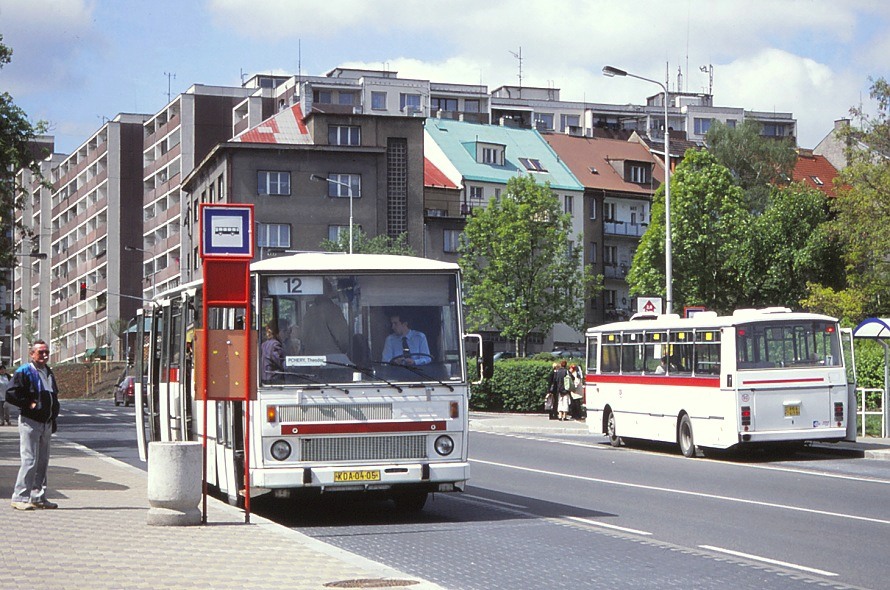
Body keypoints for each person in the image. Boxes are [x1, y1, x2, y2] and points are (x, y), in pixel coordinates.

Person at [5, 340, 60, 510]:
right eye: (40, 352)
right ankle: (20, 497)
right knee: (30, 460)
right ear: (32, 354)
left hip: (46, 423)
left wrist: (53, 418)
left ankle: (38, 496)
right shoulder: (24, 371)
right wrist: (30, 404)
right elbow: (11, 394)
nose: (44, 355)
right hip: (30, 422)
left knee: (42, 461)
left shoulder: (48, 372)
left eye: (46, 352)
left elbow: (53, 396)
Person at [301, 289, 350, 358]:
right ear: (329, 293)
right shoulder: (334, 310)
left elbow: (303, 337)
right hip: (332, 358)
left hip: (312, 360)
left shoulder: (308, 313)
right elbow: (342, 338)